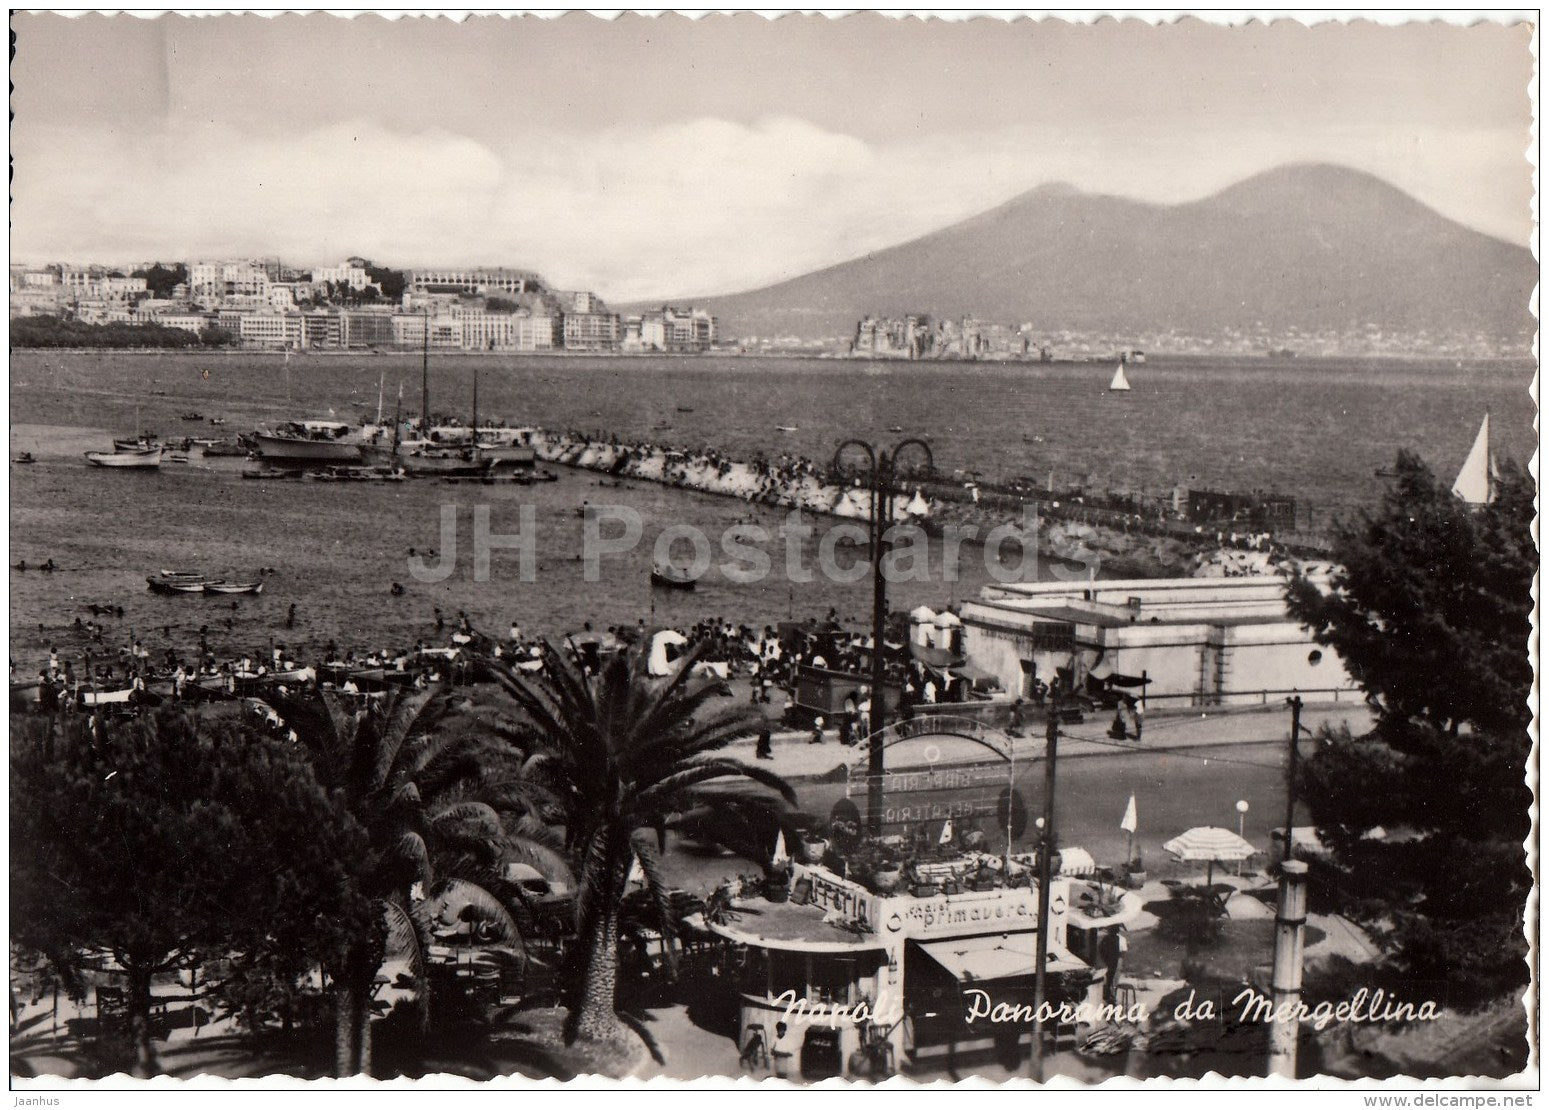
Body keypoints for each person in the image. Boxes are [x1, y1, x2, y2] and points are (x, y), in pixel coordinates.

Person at [1098, 925, 1129, 1005]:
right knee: (1113, 979)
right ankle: (1111, 998)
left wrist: (1105, 958)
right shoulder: (1121, 939)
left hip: (1110, 960)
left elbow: (1101, 949)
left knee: (1110, 979)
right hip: (1114, 960)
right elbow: (1123, 951)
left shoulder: (1106, 938)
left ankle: (1110, 997)